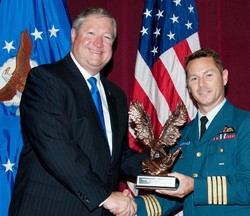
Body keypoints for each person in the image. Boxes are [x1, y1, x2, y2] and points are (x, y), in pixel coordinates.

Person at [9, 8, 147, 216]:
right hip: (49, 208)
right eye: (91, 33)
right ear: (74, 35)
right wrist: (105, 196)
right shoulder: (45, 79)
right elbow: (55, 145)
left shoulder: (115, 96)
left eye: (107, 37)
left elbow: (116, 156)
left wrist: (160, 168)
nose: (98, 43)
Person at [135, 48, 250, 216]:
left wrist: (195, 186)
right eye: (194, 78)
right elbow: (172, 194)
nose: (202, 84)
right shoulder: (182, 135)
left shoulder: (249, 125)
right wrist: (132, 206)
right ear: (188, 87)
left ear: (225, 77)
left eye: (209, 75)